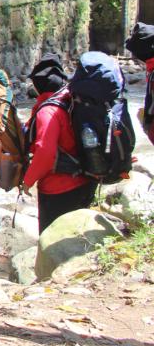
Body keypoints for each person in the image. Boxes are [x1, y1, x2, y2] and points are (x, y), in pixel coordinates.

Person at [23, 52, 132, 233]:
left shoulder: (48, 111)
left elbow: (45, 152)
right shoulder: (75, 99)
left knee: (53, 240)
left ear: (36, 86)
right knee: (79, 237)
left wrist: (28, 181)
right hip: (87, 178)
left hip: (59, 189)